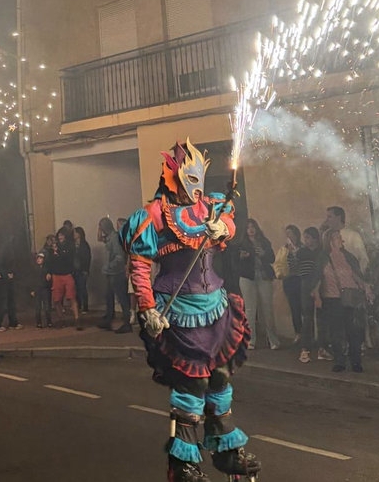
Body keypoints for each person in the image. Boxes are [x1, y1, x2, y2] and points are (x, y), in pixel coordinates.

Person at [119, 139, 259, 481]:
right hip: (178, 312)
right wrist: (147, 307)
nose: (196, 189)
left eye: (200, 180)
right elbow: (139, 265)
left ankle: (225, 451)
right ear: (175, 176)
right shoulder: (154, 214)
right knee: (191, 385)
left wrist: (222, 227)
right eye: (190, 180)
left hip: (217, 307)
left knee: (221, 378)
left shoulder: (210, 206)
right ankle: (184, 463)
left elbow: (231, 223)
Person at [309, 229, 371, 373]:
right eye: (337, 237)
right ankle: (340, 361)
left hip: (350, 297)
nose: (341, 240)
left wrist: (365, 288)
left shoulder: (348, 256)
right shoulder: (323, 258)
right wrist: (317, 296)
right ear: (330, 240)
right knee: (336, 332)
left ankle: (355, 361)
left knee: (353, 331)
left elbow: (356, 275)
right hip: (332, 299)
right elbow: (317, 278)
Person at [234, 219, 280, 350]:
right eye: (248, 228)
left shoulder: (264, 242)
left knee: (267, 308)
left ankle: (273, 340)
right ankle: (250, 340)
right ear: (245, 230)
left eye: (253, 227)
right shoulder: (241, 244)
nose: (251, 230)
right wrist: (242, 257)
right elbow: (234, 262)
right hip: (248, 277)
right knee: (250, 309)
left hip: (263, 276)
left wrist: (264, 254)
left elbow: (272, 258)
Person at [296, 227, 329, 363]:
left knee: (321, 317)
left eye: (308, 237)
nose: (306, 240)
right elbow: (298, 267)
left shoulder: (321, 252)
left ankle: (322, 347)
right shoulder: (302, 252)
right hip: (306, 283)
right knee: (307, 316)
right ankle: (305, 348)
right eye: (305, 237)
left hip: (320, 283)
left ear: (315, 238)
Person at [97, 217, 130, 333]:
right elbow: (100, 238)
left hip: (116, 273)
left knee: (121, 298)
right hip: (111, 272)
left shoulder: (114, 238)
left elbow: (119, 257)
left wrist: (109, 266)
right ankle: (109, 319)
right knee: (109, 296)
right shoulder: (110, 237)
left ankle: (127, 322)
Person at [47, 227, 81, 330]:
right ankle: (61, 319)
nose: (60, 237)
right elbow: (50, 261)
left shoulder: (70, 247)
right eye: (59, 235)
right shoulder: (53, 248)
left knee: (72, 297)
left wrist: (59, 252)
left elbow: (68, 259)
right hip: (56, 275)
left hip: (67, 274)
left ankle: (77, 319)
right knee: (56, 299)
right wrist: (49, 271)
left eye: (62, 235)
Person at [274, 224, 302, 343]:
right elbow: (278, 263)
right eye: (287, 233)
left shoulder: (302, 247)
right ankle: (298, 332)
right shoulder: (284, 249)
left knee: (304, 308)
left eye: (291, 233)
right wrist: (280, 274)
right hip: (289, 280)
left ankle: (307, 333)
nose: (289, 236)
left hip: (301, 280)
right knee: (294, 308)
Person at [322, 206, 369, 274]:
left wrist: (358, 274)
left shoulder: (353, 235)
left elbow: (363, 258)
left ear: (338, 218)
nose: (327, 220)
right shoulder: (326, 235)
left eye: (330, 217)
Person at [0, 236, 21, 331]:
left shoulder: (3, 248)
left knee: (9, 301)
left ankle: (12, 322)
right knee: (3, 302)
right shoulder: (4, 249)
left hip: (4, 276)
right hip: (2, 278)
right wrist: (7, 274)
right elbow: (0, 265)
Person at [72, 226, 92, 314]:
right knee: (76, 288)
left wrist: (86, 269)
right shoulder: (73, 244)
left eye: (75, 233)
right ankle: (78, 305)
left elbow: (87, 258)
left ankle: (85, 307)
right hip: (74, 269)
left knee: (83, 288)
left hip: (82, 269)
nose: (74, 234)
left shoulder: (84, 245)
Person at [33, 251, 52, 328]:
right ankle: (38, 322)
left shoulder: (47, 268)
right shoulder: (34, 269)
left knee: (47, 307)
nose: (39, 259)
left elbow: (50, 279)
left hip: (45, 289)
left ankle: (49, 321)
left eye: (40, 258)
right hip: (37, 290)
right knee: (37, 308)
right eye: (38, 258)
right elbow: (31, 280)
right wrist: (32, 290)